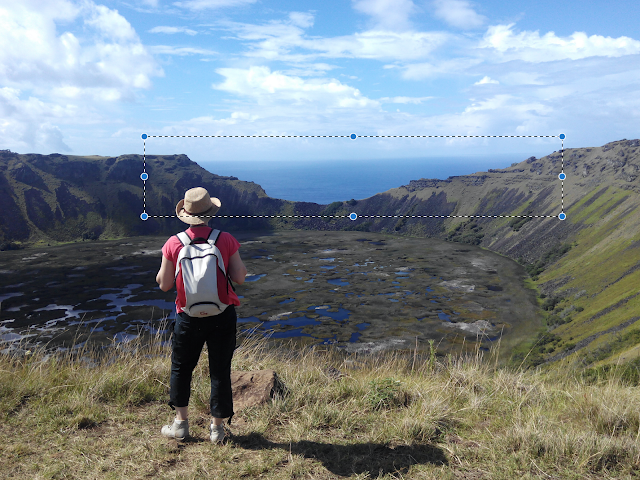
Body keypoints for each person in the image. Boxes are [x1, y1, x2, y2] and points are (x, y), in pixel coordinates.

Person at [156, 187, 247, 443]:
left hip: (187, 317)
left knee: (181, 368)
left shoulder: (174, 243)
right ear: (210, 212)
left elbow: (163, 284)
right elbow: (239, 277)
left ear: (186, 214)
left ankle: (180, 425)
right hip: (222, 314)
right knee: (219, 370)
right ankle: (217, 430)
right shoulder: (225, 239)